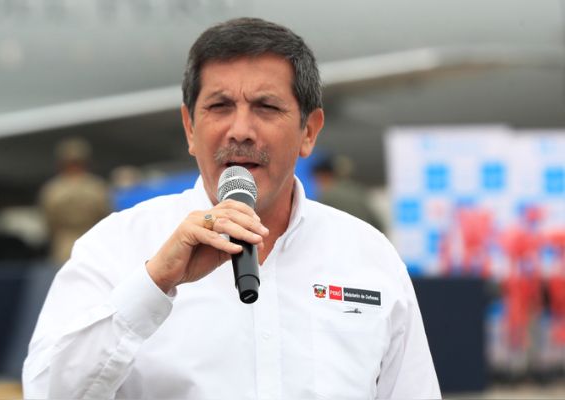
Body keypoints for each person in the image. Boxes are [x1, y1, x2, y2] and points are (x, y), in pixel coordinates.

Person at [23, 18, 440, 399]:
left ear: (309, 132)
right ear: (190, 128)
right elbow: (46, 392)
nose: (240, 130)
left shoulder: (369, 256)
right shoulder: (117, 247)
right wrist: (154, 283)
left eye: (266, 107)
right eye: (220, 107)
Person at [39, 137, 109, 266]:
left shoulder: (53, 188)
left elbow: (49, 222)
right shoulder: (96, 186)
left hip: (66, 244)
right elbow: (106, 215)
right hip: (92, 241)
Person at [313, 154, 384, 231]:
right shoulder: (359, 192)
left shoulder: (327, 197)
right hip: (362, 236)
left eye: (318, 179)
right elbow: (377, 224)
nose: (317, 184)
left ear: (325, 176)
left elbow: (319, 227)